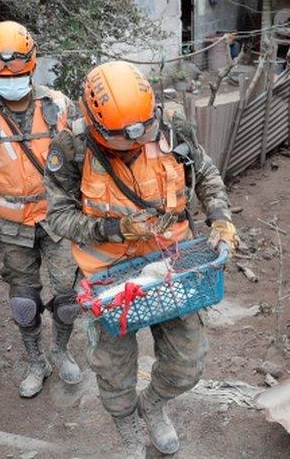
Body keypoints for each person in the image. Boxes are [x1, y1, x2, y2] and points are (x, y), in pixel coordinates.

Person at [43, 61, 237, 457]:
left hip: (173, 267)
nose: (135, 144)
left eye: (142, 133)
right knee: (113, 371)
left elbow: (207, 172)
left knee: (188, 363)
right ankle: (128, 426)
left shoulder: (172, 127)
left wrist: (220, 218)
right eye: (121, 139)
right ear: (96, 126)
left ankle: (154, 405)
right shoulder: (72, 146)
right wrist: (111, 230)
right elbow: (57, 215)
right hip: (108, 276)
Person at [0, 21, 83, 398]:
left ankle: (61, 351)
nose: (10, 80)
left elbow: (84, 161)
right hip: (10, 229)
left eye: (17, 71)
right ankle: (35, 361)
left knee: (67, 300)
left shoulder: (60, 106)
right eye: (1, 73)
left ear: (32, 66)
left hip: (59, 223)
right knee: (24, 302)